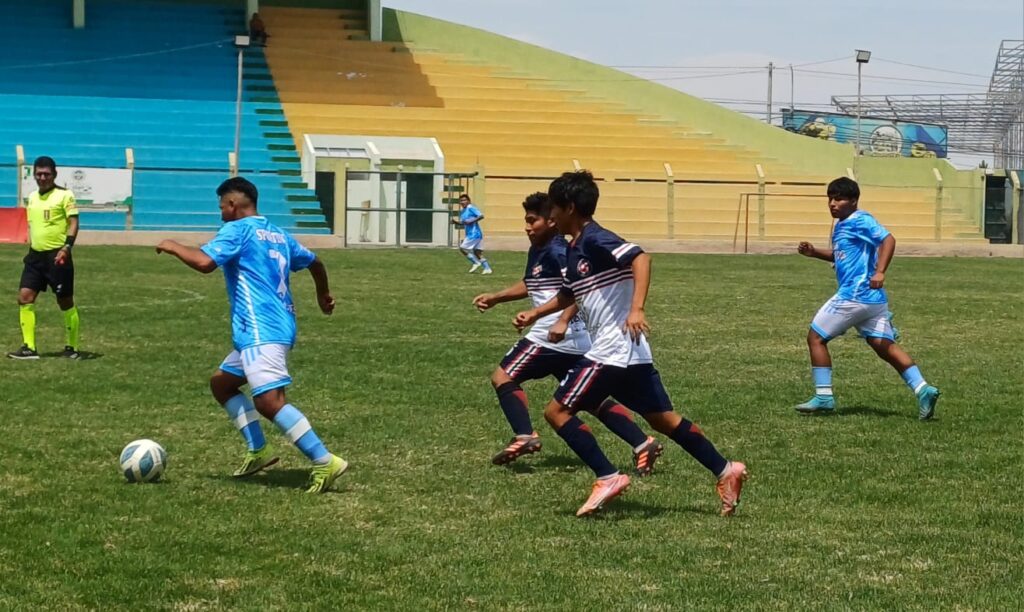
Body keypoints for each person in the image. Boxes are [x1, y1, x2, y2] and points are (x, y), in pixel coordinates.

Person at [514, 171, 748, 517]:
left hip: (613, 347)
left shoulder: (595, 238)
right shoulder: (576, 247)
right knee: (663, 420)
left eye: (555, 209)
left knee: (556, 412)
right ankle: (726, 470)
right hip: (630, 351)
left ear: (571, 208)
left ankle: (608, 477)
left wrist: (636, 307)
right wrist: (537, 313)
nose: (551, 217)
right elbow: (569, 293)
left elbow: (641, 258)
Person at [155, 177, 347, 493]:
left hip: (261, 330)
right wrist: (322, 295)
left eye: (222, 207)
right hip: (274, 327)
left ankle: (324, 459)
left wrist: (173, 245)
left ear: (233, 205)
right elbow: (316, 262)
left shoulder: (238, 230)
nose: (220, 215)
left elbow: (205, 263)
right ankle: (259, 450)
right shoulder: (277, 233)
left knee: (269, 401)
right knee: (222, 383)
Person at [473, 192, 664, 474]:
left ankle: (525, 435)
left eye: (533, 220)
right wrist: (497, 297)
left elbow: (577, 287)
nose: (527, 227)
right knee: (589, 398)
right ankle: (641, 442)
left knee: (503, 376)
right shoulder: (540, 248)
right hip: (569, 338)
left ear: (552, 220)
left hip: (556, 336)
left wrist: (561, 320)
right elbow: (533, 282)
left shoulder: (559, 250)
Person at [796, 177, 941, 419]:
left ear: (853, 201)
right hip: (872, 300)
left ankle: (823, 396)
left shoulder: (860, 219)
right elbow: (841, 256)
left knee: (816, 337)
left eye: (839, 199)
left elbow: (888, 239)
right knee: (884, 346)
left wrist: (880, 271)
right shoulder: (843, 225)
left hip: (856, 294)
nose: (833, 203)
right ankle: (923, 389)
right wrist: (814, 253)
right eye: (830, 199)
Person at [8, 156, 81, 360]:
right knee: (24, 297)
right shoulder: (31, 197)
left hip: (58, 256)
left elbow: (73, 223)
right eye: (39, 174)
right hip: (35, 257)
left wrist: (67, 247)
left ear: (54, 174)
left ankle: (71, 347)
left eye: (46, 174)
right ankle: (29, 348)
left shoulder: (64, 196)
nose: (42, 178)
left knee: (65, 301)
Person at [452, 194, 492, 274]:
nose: (463, 202)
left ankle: (476, 262)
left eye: (464, 200)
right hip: (475, 234)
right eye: (461, 200)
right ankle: (487, 268)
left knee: (462, 248)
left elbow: (481, 216)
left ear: (468, 201)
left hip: (474, 233)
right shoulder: (463, 211)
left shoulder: (471, 208)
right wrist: (456, 222)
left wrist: (472, 220)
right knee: (477, 252)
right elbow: (464, 223)